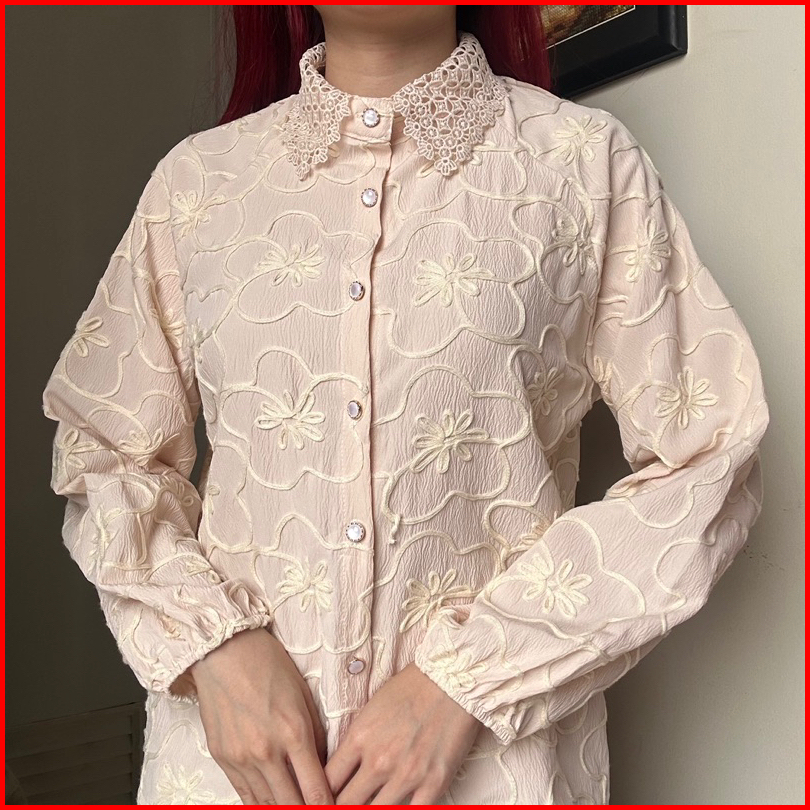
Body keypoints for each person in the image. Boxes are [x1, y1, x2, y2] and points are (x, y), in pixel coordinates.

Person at [41, 5, 770, 806]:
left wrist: (469, 679)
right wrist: (213, 647)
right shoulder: (198, 184)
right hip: (224, 776)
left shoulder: (582, 164)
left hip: (494, 772)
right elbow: (101, 447)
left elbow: (711, 455)